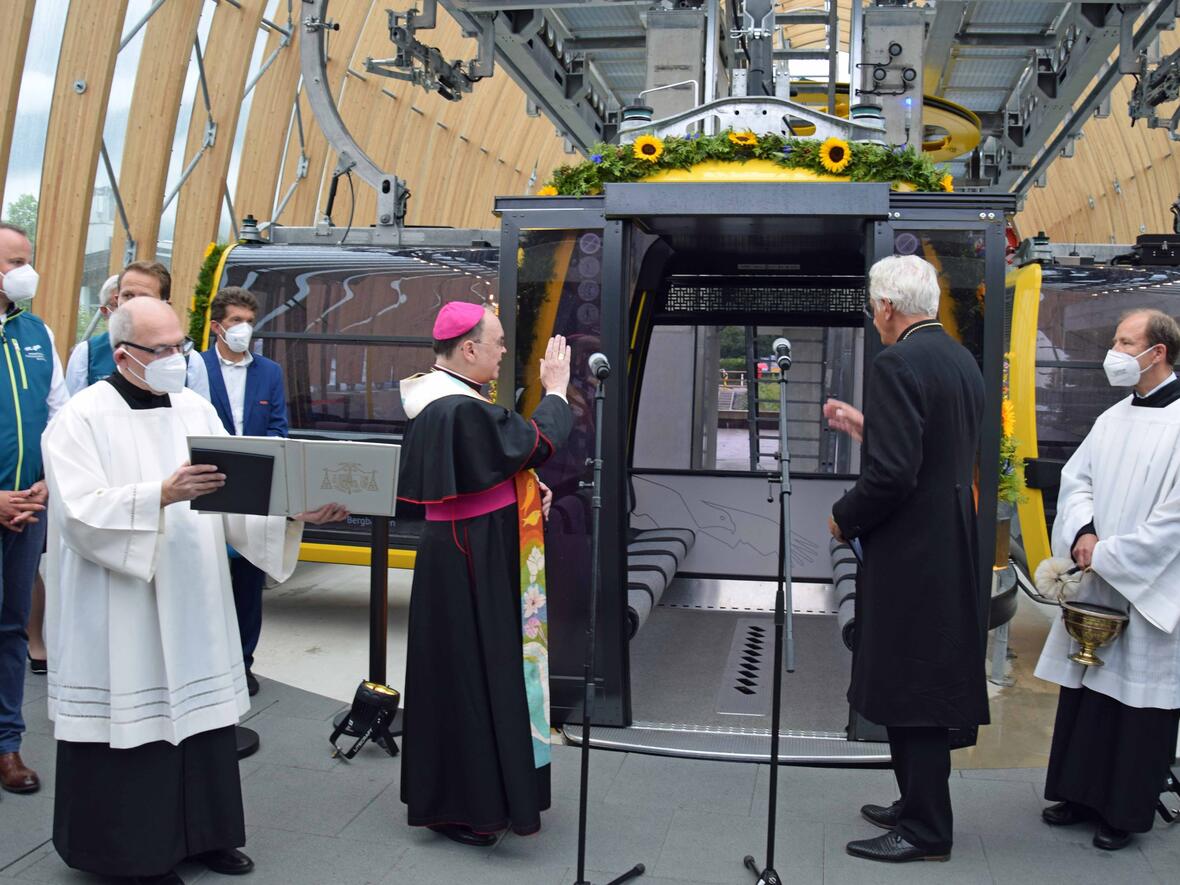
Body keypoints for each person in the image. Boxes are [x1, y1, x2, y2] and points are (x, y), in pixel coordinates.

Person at [41, 297, 346, 883]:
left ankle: (207, 835)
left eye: (181, 345)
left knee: (203, 724)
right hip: (122, 603)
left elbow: (237, 493)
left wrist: (292, 512)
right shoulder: (81, 418)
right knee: (135, 727)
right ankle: (133, 854)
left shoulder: (195, 409)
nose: (178, 358)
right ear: (125, 355)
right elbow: (77, 515)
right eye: (163, 349)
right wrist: (157, 493)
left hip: (194, 593)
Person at [824, 254, 988, 863]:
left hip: (911, 553)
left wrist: (845, 516)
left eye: (874, 306)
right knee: (918, 678)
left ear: (887, 307)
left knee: (912, 685)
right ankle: (914, 801)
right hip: (946, 542)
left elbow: (893, 478)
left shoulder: (896, 362)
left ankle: (925, 829)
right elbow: (934, 449)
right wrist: (869, 428)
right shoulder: (957, 359)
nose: (874, 316)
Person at [397, 302, 571, 845]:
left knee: (455, 676)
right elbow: (536, 442)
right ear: (468, 348)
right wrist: (558, 390)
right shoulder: (459, 406)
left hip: (454, 551)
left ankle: (456, 798)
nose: (502, 352)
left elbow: (492, 470)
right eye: (496, 342)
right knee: (483, 673)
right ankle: (478, 806)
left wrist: (523, 487)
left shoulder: (436, 395)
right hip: (477, 556)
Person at [1034, 308, 1180, 851]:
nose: (1113, 351)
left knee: (1138, 705)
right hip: (1099, 576)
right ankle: (1079, 794)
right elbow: (1077, 481)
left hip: (1149, 588)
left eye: (1124, 341)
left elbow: (1174, 520)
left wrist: (1111, 554)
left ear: (1156, 351)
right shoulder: (1113, 415)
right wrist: (1083, 535)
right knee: (1089, 690)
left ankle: (1123, 811)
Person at [0, 222, 68, 795]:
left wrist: (46, 482)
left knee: (11, 629)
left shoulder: (37, 333)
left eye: (28, 258)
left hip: (28, 509)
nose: (25, 271)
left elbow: (58, 417)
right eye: (13, 262)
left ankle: (7, 746)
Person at [201, 286, 288, 697]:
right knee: (206, 577)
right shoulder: (194, 367)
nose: (243, 329)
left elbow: (278, 430)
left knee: (248, 580)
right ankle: (207, 665)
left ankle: (243, 663)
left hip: (253, 491)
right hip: (205, 489)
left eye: (248, 322)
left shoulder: (270, 372)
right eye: (235, 321)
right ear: (217, 326)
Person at [65, 260, 210, 398]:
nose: (134, 303)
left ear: (166, 304)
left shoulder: (190, 360)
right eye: (128, 295)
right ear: (117, 299)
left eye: (145, 297)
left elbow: (199, 417)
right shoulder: (87, 353)